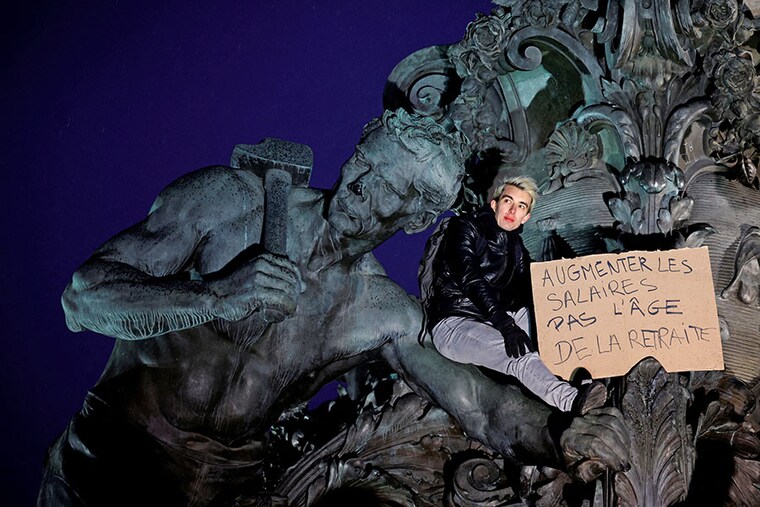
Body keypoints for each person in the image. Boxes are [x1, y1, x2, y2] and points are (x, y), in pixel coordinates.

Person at [39, 110, 629, 506]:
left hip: (225, 492)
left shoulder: (379, 313)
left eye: (385, 186)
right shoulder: (229, 201)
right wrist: (214, 295)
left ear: (415, 218)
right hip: (103, 470)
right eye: (362, 161)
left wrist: (561, 434)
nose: (357, 184)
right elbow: (83, 295)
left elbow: (478, 402)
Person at [426, 175, 607, 415]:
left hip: (496, 316)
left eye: (521, 206)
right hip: (456, 320)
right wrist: (506, 325)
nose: (512, 210)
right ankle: (571, 400)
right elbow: (471, 279)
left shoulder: (516, 247)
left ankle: (580, 376)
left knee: (557, 324)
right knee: (519, 354)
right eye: (508, 202)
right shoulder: (467, 227)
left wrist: (576, 286)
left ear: (526, 216)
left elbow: (534, 284)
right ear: (495, 204)